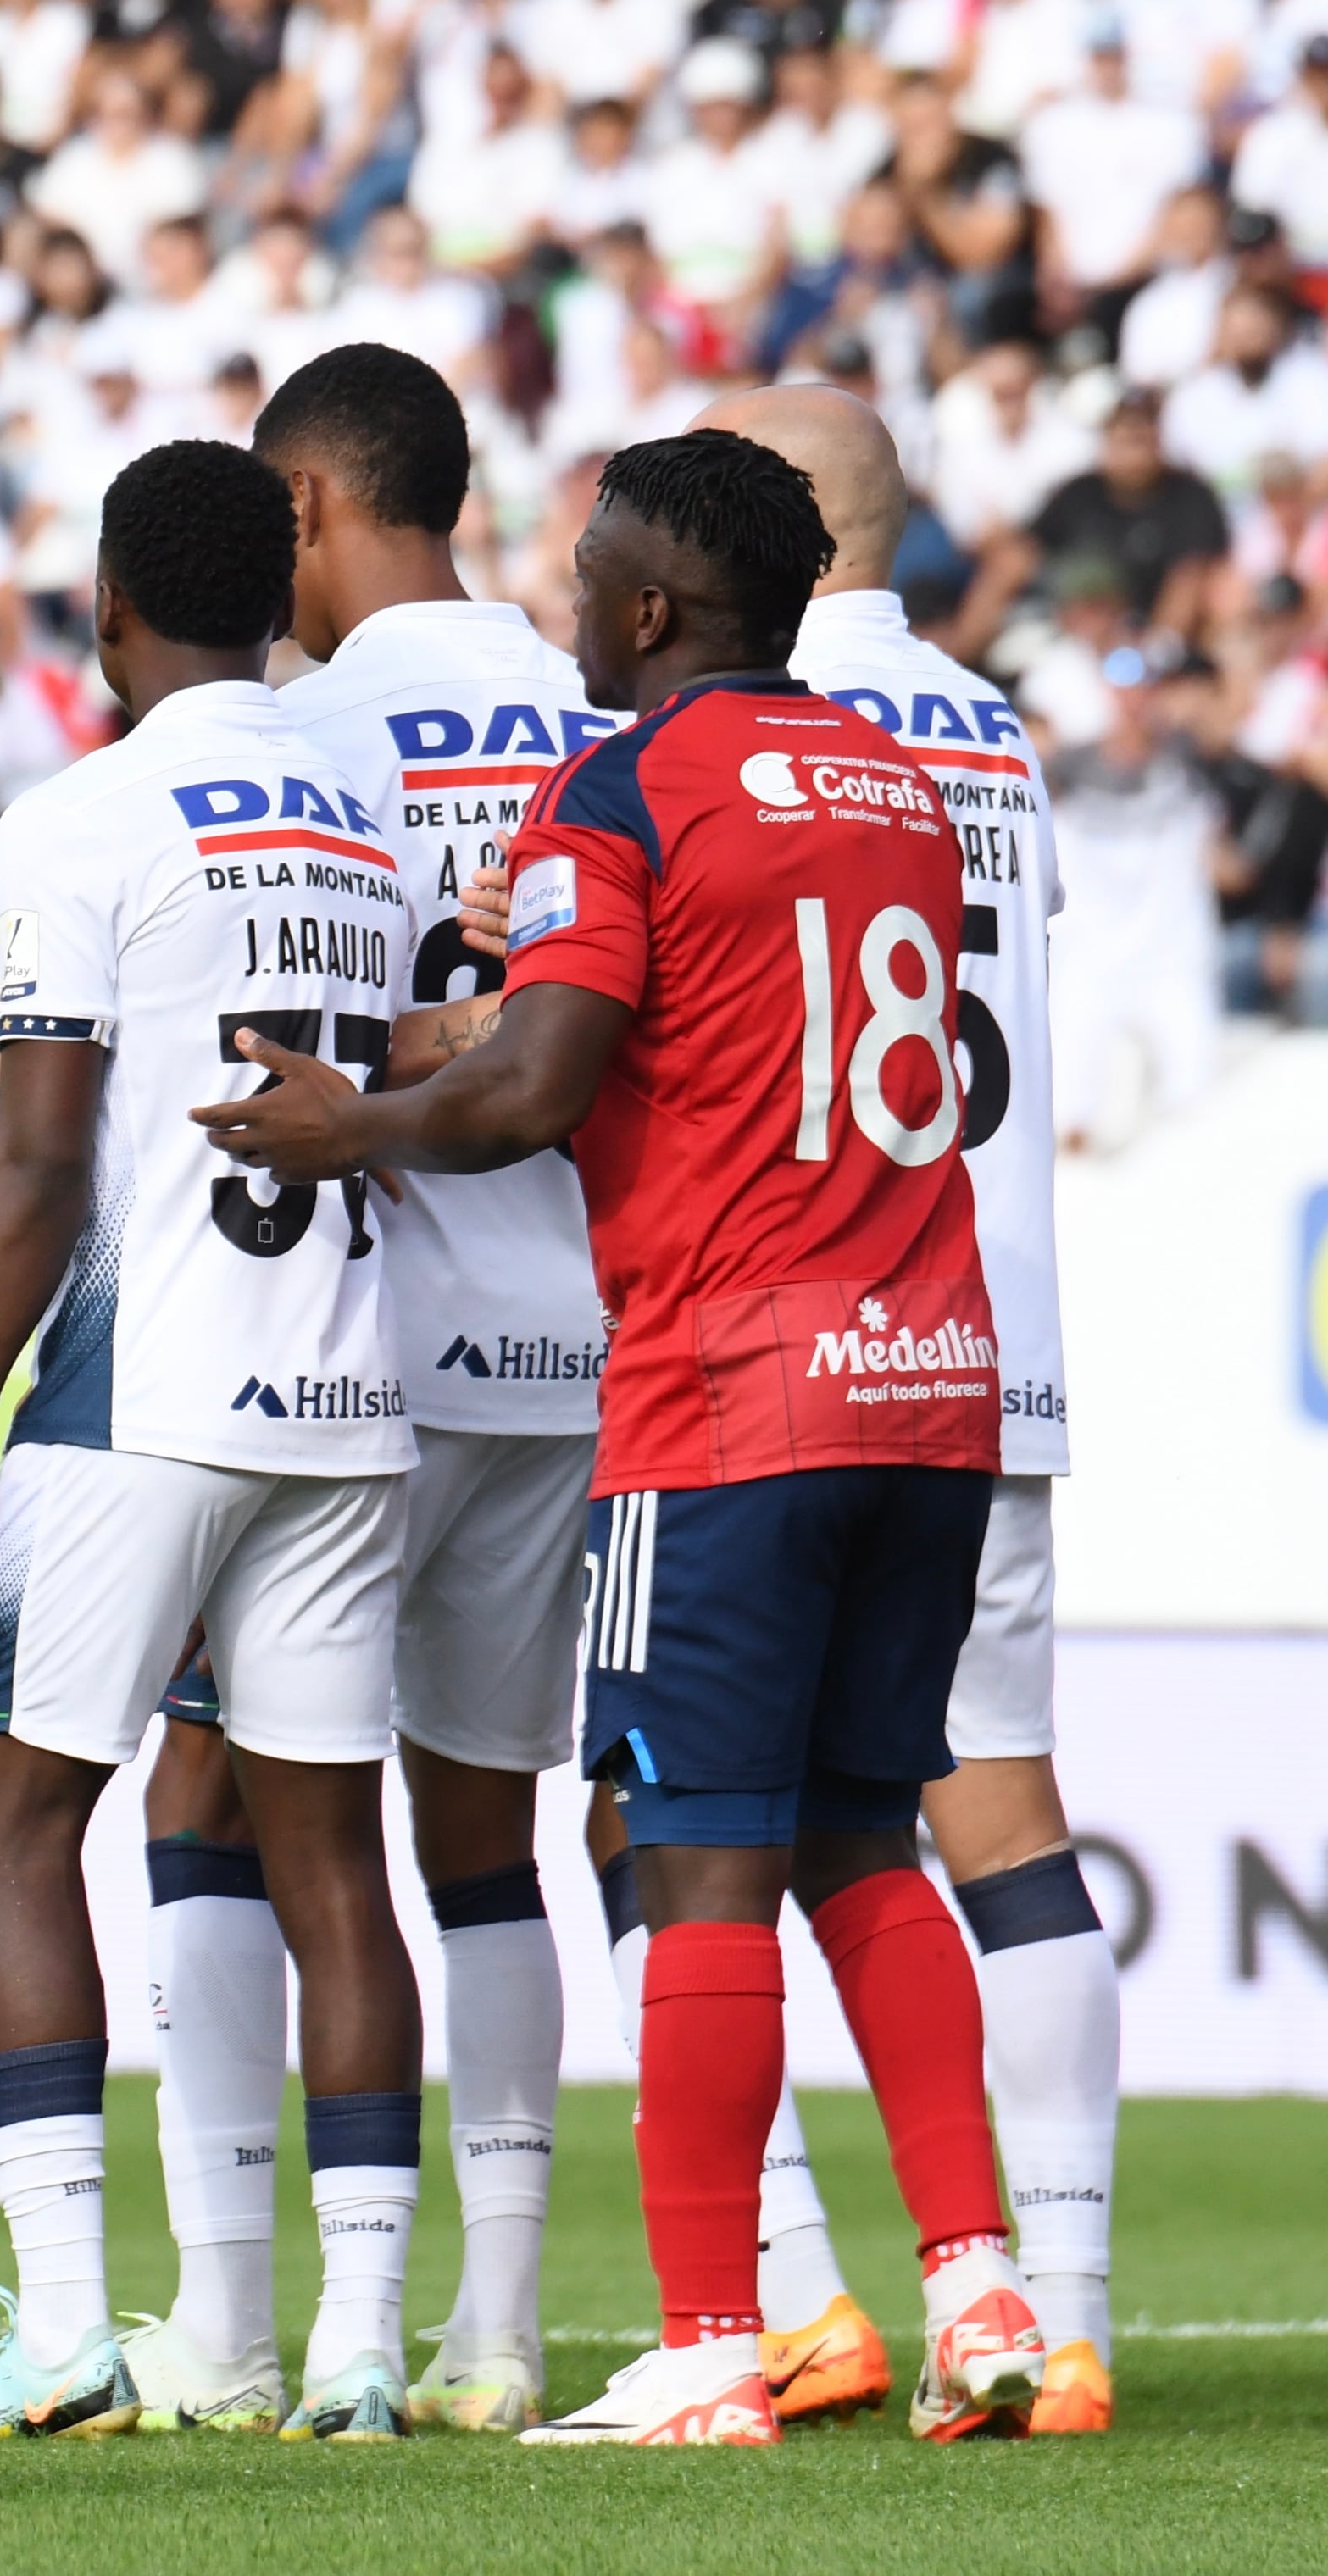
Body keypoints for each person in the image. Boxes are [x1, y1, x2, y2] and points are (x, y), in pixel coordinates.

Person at [197, 430, 1042, 2450]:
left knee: (695, 1855)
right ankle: (981, 2286)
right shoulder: (890, 776)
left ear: (652, 605)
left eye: (588, 575)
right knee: (865, 1836)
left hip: (728, 1395)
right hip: (927, 1370)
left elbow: (533, 1092)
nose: (566, 603)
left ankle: (705, 2339)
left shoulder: (625, 787)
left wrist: (347, 1122)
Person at [0, 440, 425, 2446]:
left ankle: (61, 2330)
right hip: (347, 1391)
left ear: (111, 605)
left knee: (8, 1820)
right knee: (332, 1862)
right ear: (276, 606)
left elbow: (39, 1160)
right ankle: (358, 2347)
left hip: (143, 1396)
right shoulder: (361, 807)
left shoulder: (81, 813)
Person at [109, 341, 604, 2437]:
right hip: (573, 1345)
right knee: (482, 1842)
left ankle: (229, 2320)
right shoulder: (598, 715)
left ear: (301, 509)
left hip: (343, 1355)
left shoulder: (291, 739)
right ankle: (493, 2329)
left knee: (215, 1800)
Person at [690, 383, 1110, 2436]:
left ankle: (787, 2290)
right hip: (989, 1331)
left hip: (790, 1334)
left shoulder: (738, 727)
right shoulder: (990, 730)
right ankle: (1060, 2310)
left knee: (691, 1821)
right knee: (1002, 1813)